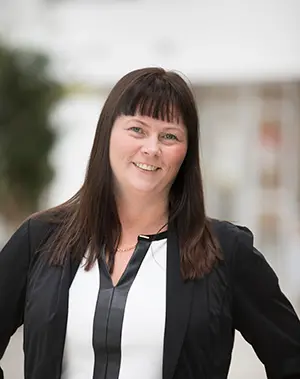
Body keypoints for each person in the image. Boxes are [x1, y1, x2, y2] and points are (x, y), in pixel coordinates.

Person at [0, 67, 300, 379]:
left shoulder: (226, 252)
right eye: (137, 129)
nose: (152, 148)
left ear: (186, 152)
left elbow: (291, 357)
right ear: (107, 134)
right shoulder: (41, 238)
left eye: (169, 136)